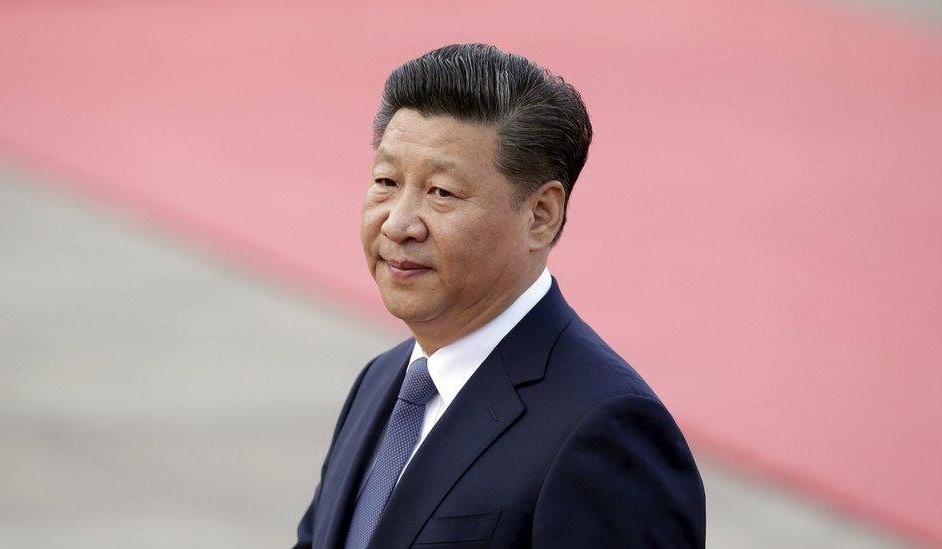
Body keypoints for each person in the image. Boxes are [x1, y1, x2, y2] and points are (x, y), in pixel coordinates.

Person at [294, 43, 705, 548]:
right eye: (386, 181)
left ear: (540, 216)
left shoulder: (606, 431)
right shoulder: (383, 382)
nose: (399, 223)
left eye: (442, 192)